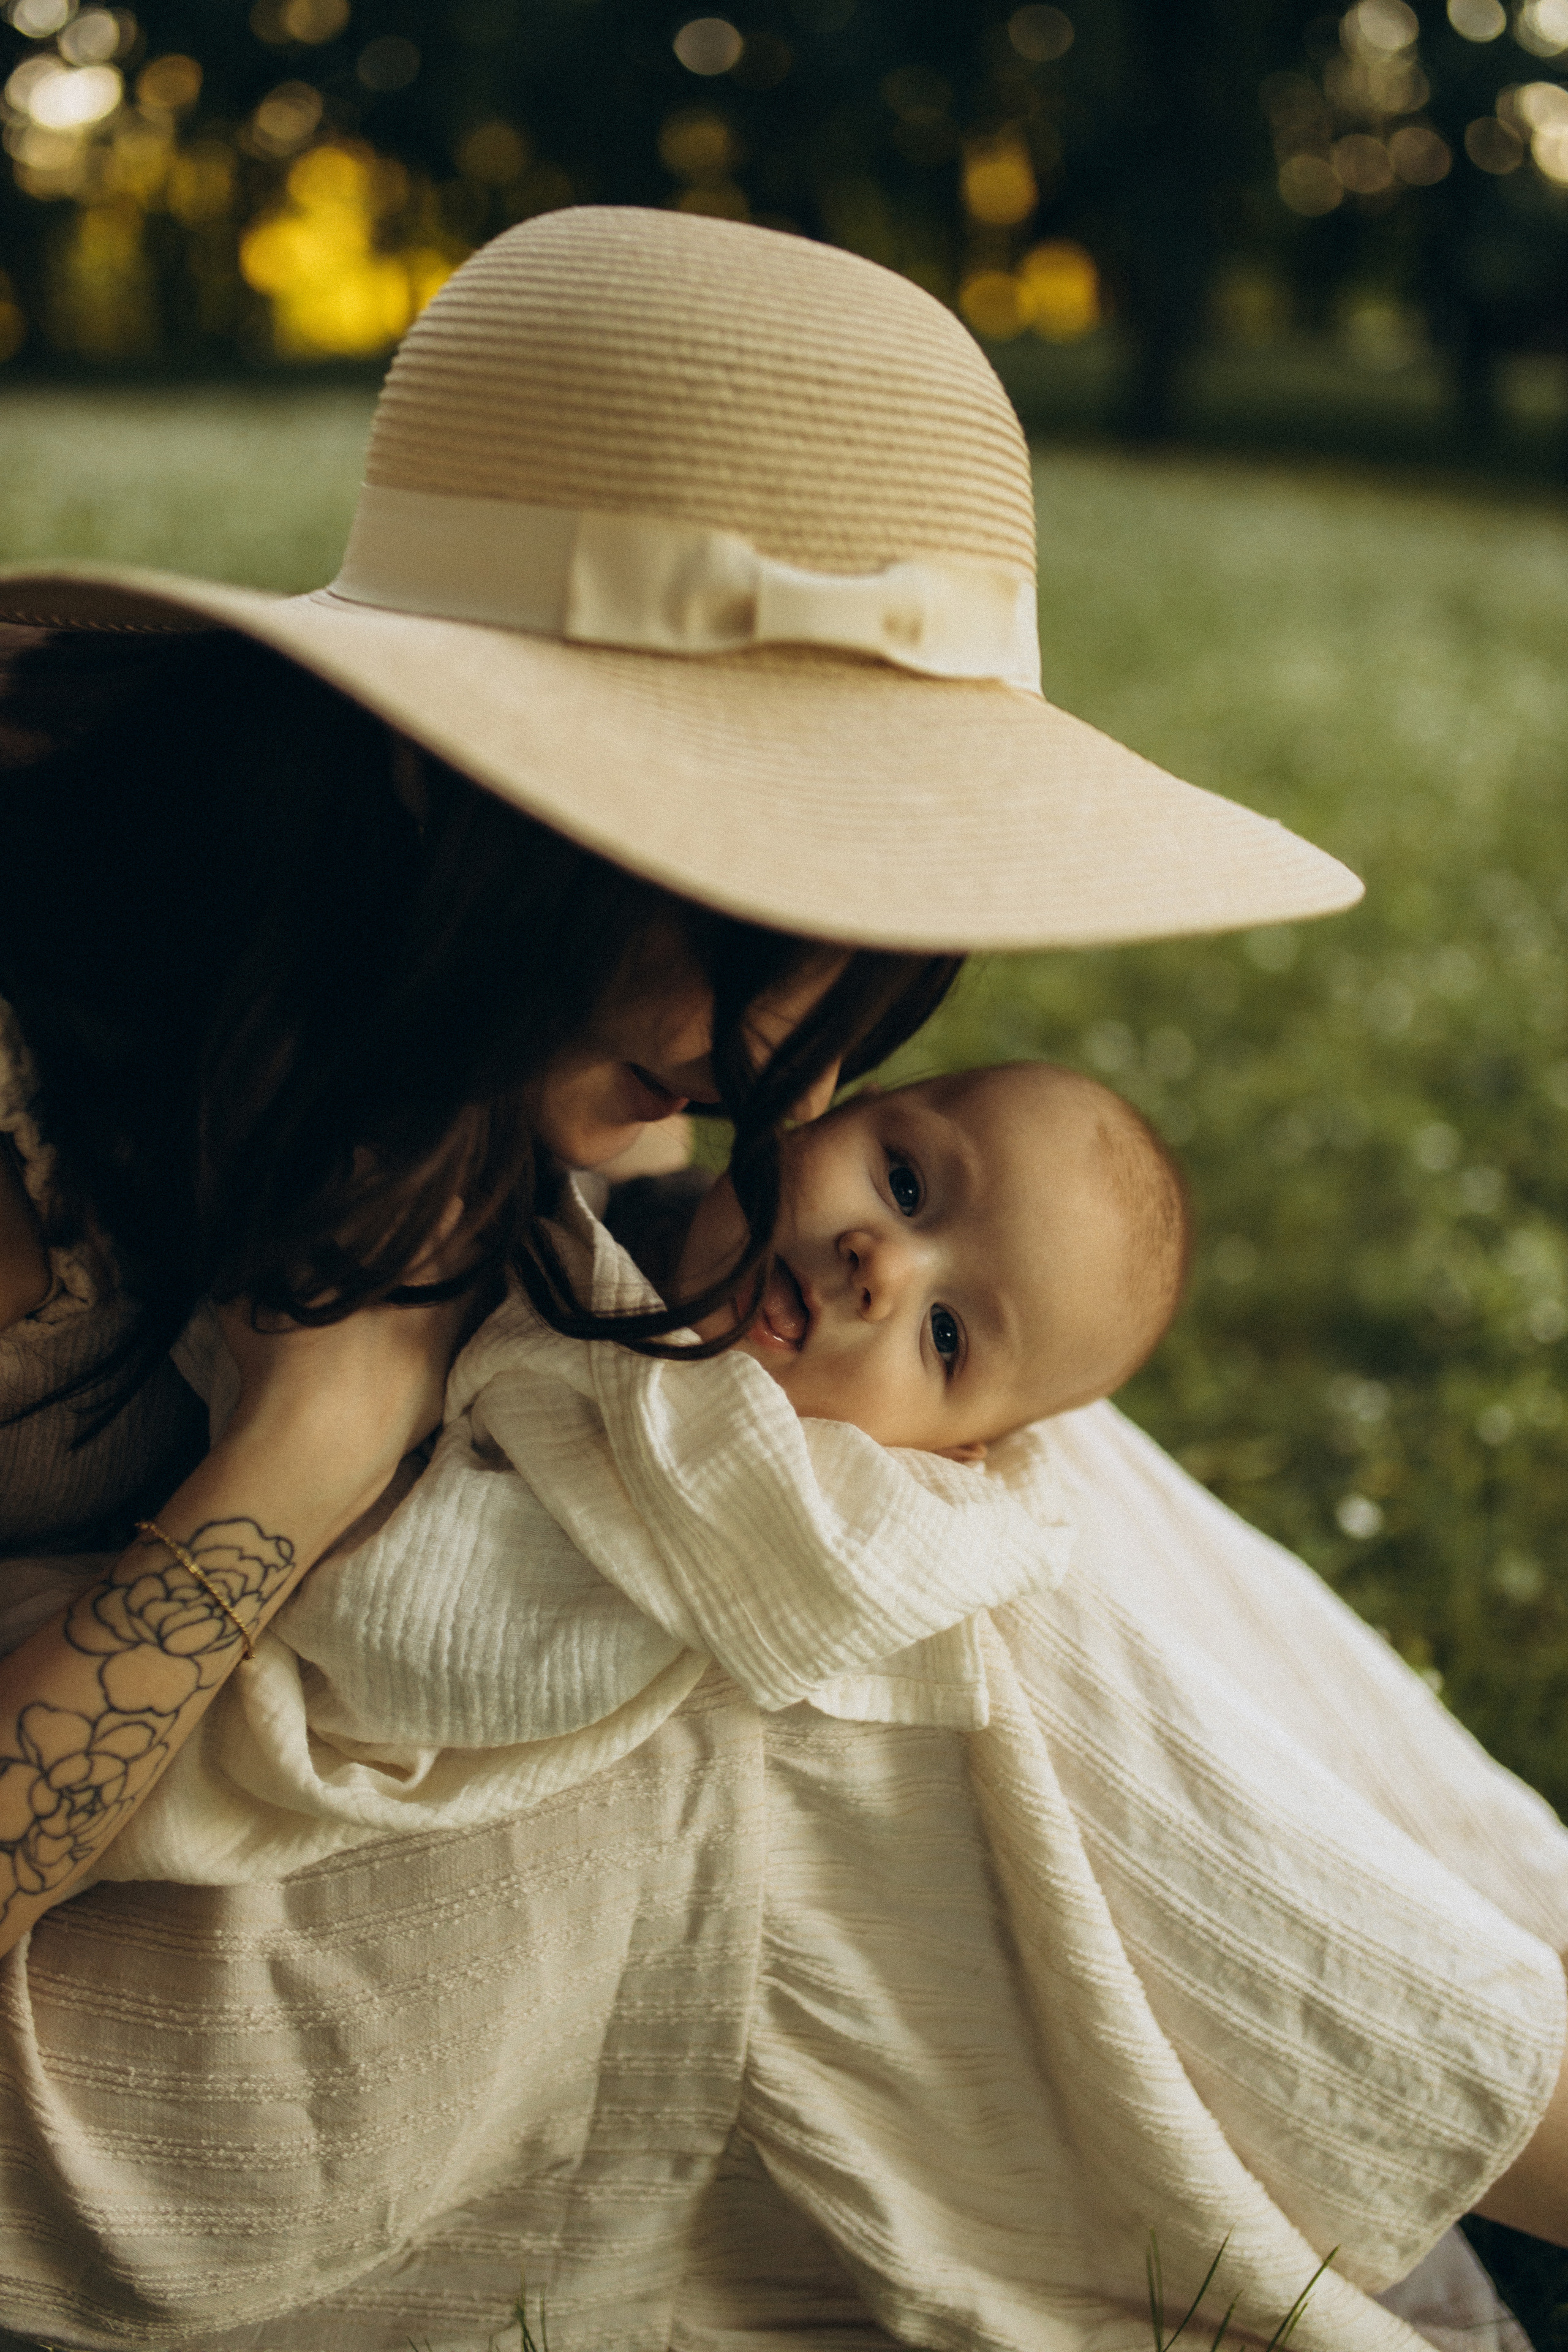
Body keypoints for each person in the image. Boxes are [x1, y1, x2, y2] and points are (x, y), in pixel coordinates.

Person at [0, 204, 1557, 2352]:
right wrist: (301, 1455)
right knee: (851, 1614)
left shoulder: (461, 1023)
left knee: (1019, 1477)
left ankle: (1496, 2034)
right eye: (746, 868)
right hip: (87, 2016)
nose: (796, 1044)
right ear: (452, 787)